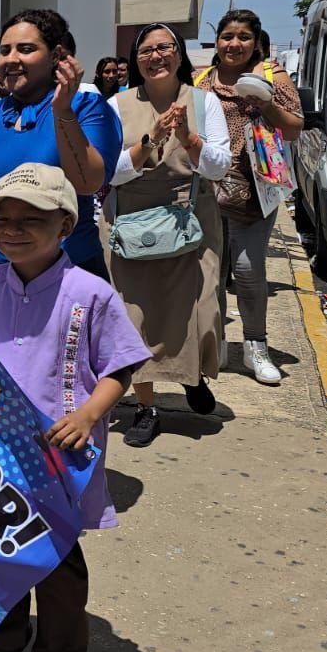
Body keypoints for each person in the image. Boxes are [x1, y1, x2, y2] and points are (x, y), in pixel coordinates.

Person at [0, 163, 151, 652]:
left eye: (30, 220)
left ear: (64, 225)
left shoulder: (91, 294)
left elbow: (120, 367)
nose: (11, 229)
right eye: (1, 219)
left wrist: (88, 413)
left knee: (59, 572)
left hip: (58, 463)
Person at [105, 24, 232, 447]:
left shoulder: (204, 102)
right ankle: (145, 407)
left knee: (199, 306)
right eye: (146, 50)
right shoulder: (115, 105)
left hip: (191, 219)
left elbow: (218, 167)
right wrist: (151, 141)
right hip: (131, 222)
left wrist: (187, 138)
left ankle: (189, 374)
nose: (156, 56)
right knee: (134, 318)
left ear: (179, 55)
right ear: (134, 60)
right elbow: (107, 172)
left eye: (165, 47)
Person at [0, 9, 123, 279]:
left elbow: (88, 182)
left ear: (56, 56)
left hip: (68, 271)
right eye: (5, 50)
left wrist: (62, 112)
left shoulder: (86, 108)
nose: (10, 59)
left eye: (25, 49)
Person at [194, 10, 303, 385]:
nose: (234, 44)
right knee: (211, 273)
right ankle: (218, 343)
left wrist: (265, 101)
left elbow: (293, 129)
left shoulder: (272, 76)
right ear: (217, 41)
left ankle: (256, 345)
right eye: (227, 36)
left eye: (243, 37)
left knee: (246, 270)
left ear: (256, 42)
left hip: (255, 191)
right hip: (207, 192)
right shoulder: (200, 82)